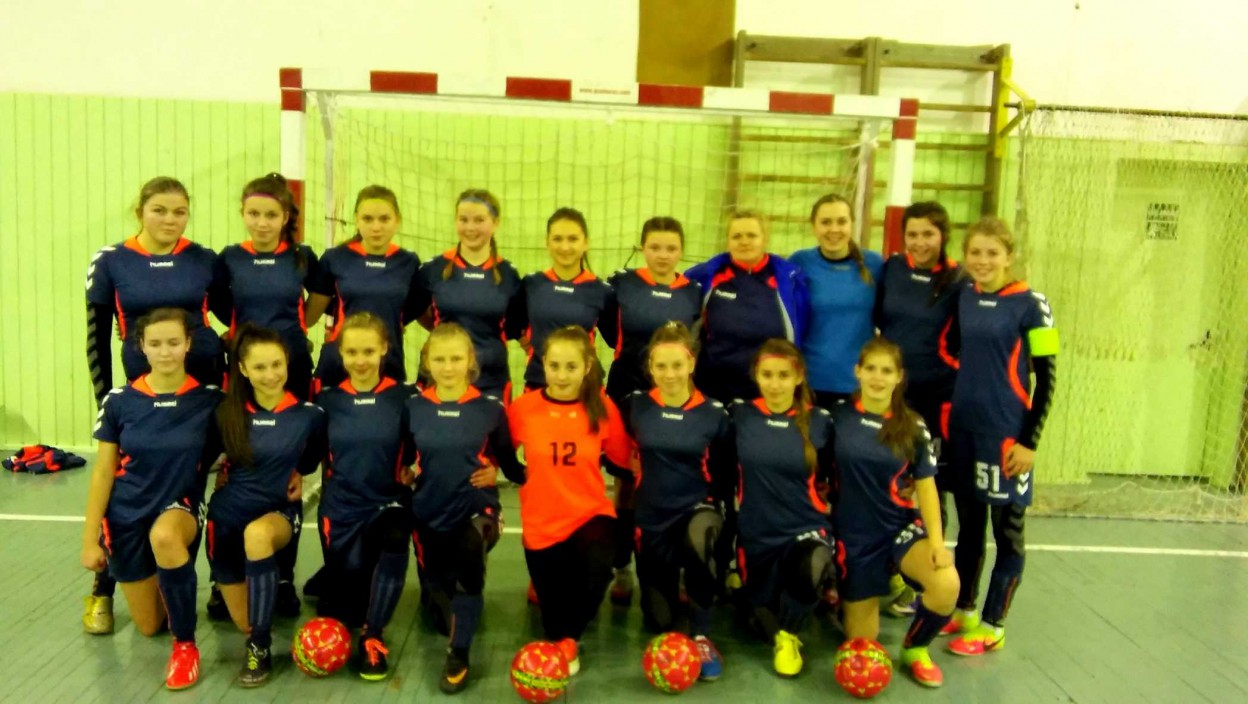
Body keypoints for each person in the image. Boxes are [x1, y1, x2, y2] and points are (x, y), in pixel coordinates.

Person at [83, 177, 226, 633]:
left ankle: (222, 579)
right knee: (127, 485)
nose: (170, 219)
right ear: (139, 211)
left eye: (179, 211)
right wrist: (107, 405)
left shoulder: (204, 259)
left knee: (201, 484)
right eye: (159, 210)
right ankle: (103, 586)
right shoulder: (111, 261)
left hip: (202, 395)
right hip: (142, 397)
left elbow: (236, 316)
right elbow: (96, 339)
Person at [79, 308, 223, 689]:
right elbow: (103, 471)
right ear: (141, 346)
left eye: (173, 342)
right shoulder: (119, 401)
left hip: (180, 507)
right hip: (125, 514)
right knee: (149, 626)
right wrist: (89, 539)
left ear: (188, 344)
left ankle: (186, 647)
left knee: (166, 537)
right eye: (155, 343)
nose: (165, 351)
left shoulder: (210, 400)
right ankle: (169, 587)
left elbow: (245, 444)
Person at [212, 173, 332, 619]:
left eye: (271, 215)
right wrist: (245, 336)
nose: (262, 222)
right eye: (254, 214)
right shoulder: (229, 258)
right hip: (246, 369)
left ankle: (282, 576)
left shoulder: (302, 258)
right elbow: (220, 304)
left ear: (285, 217)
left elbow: (318, 300)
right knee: (241, 467)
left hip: (291, 367)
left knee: (287, 474)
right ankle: (226, 576)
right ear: (243, 214)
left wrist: (294, 329)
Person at [943, 217, 1059, 657]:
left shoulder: (1032, 305)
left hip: (1007, 436)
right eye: (975, 252)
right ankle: (964, 609)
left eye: (993, 253)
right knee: (969, 528)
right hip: (964, 430)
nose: (983, 260)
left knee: (1007, 531)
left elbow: (1047, 379)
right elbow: (957, 351)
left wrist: (1030, 442)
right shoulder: (965, 295)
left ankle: (994, 624)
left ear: (1009, 257)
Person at [831, 338, 960, 687]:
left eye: (886, 370)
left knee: (946, 583)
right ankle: (841, 604)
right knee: (863, 643)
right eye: (871, 369)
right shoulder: (837, 418)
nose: (877, 377)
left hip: (898, 529)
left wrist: (938, 544)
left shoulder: (912, 426)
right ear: (857, 372)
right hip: (854, 539)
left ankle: (915, 649)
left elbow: (927, 488)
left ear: (899, 377)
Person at [507, 326, 634, 675]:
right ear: (542, 365)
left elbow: (625, 460)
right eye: (554, 366)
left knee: (595, 575)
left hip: (588, 514)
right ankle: (560, 624)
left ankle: (569, 640)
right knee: (553, 616)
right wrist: (493, 470)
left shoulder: (602, 407)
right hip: (541, 523)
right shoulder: (524, 408)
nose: (562, 375)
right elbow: (498, 453)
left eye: (571, 367)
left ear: (587, 367)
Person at [405, 323, 524, 693]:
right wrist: (405, 473)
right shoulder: (413, 407)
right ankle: (442, 590)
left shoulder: (490, 409)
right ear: (427, 362)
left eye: (456, 358)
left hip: (478, 511)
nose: (448, 367)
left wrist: (499, 471)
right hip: (429, 514)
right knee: (440, 608)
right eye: (439, 359)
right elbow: (403, 458)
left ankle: (458, 654)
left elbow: (511, 465)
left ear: (470, 361)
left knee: (470, 555)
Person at [205, 324, 326, 686]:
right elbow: (199, 462)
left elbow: (311, 461)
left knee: (258, 536)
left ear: (287, 362)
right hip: (226, 520)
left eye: (277, 364)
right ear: (242, 369)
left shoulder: (310, 416)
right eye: (259, 367)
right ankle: (252, 625)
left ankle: (259, 647)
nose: (270, 374)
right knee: (245, 621)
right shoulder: (225, 414)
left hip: (276, 515)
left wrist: (300, 474)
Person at [601, 216, 702, 605]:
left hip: (674, 396)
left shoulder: (692, 292)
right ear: (642, 247)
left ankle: (676, 567)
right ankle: (621, 567)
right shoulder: (621, 285)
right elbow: (608, 331)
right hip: (627, 394)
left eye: (671, 248)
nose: (663, 255)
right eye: (655, 247)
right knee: (627, 482)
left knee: (673, 479)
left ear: (681, 251)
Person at [623, 322, 730, 680]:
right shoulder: (635, 406)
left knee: (701, 537)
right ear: (650, 368)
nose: (670, 374)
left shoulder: (714, 414)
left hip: (697, 509)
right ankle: (674, 595)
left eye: (677, 365)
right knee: (660, 620)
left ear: (691, 364)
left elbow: (725, 474)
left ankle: (701, 634)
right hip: (652, 517)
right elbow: (613, 452)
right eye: (661, 366)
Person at [314, 312, 415, 680]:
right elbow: (308, 451)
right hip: (341, 509)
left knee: (396, 536)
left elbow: (428, 442)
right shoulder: (327, 400)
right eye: (352, 352)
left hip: (387, 504)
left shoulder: (405, 397)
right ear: (340, 353)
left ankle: (373, 637)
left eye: (369, 351)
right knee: (346, 610)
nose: (361, 360)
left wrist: (416, 468)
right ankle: (343, 595)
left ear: (384, 349)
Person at [873, 200, 962, 616]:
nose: (920, 242)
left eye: (929, 234)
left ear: (943, 235)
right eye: (912, 234)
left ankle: (927, 577)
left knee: (928, 486)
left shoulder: (958, 279)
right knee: (885, 481)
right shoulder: (891, 269)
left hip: (935, 398)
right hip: (891, 395)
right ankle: (886, 574)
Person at [728, 339, 834, 678]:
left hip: (805, 528)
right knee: (756, 617)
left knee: (813, 564)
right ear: (756, 375)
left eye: (784, 375)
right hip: (757, 534)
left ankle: (788, 636)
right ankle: (760, 606)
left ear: (799, 377)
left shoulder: (820, 422)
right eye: (767, 375)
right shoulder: (740, 415)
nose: (775, 384)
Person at [684, 209, 808, 404]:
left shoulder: (790, 281)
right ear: (727, 241)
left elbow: (802, 331)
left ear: (765, 238)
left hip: (769, 391)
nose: (744, 241)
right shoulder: (706, 276)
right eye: (737, 236)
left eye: (751, 235)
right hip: (713, 388)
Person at [314, 185, 426, 388]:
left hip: (388, 360)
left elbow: (417, 310)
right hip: (340, 360)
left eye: (384, 219)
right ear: (356, 219)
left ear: (397, 220)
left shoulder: (408, 262)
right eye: (367, 219)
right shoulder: (334, 258)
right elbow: (311, 313)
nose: (376, 227)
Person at [416, 189, 522, 402]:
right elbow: (418, 312)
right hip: (441, 380)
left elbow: (515, 327)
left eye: (479, 220)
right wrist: (445, 334)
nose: (470, 228)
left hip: (491, 381)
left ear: (495, 222)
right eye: (463, 220)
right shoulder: (433, 270)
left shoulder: (508, 275)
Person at [789, 194, 884, 410]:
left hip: (861, 383)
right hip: (810, 382)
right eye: (826, 222)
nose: (834, 229)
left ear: (852, 224)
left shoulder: (874, 264)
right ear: (813, 226)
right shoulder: (799, 262)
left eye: (841, 221)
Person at [506, 207, 614, 392]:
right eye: (557, 239)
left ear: (585, 243)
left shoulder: (602, 291)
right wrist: (531, 347)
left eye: (573, 239)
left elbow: (616, 340)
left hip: (586, 387)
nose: (565, 247)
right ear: (547, 243)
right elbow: (512, 325)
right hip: (539, 381)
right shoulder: (531, 284)